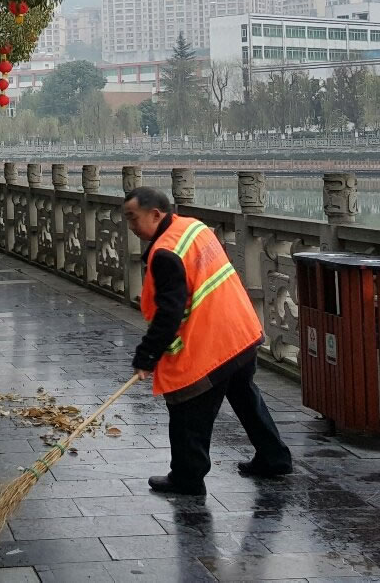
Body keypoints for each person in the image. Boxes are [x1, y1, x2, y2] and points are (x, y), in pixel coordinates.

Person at [124, 185, 291, 496]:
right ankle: (274, 457)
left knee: (188, 410)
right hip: (241, 329)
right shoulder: (193, 227)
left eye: (133, 218)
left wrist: (147, 356)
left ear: (156, 214)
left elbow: (169, 313)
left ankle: (187, 478)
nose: (130, 225)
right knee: (245, 396)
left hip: (212, 343)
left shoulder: (165, 253)